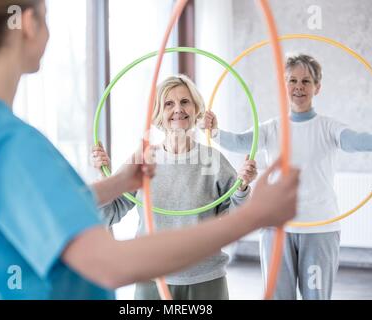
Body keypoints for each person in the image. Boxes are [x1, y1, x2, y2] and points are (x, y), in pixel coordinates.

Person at [0, 0, 300, 300]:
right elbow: (110, 265)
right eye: (48, 20)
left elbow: (44, 211)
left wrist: (118, 182)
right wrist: (253, 217)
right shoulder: (12, 143)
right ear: (30, 24)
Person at [202, 53, 372, 300]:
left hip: (320, 227)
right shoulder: (272, 128)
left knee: (316, 296)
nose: (299, 87)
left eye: (306, 81)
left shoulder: (329, 127)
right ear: (284, 85)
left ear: (317, 87)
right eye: (292, 81)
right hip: (276, 227)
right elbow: (239, 141)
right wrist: (213, 131)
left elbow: (353, 139)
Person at [92, 75, 258, 300]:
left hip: (205, 280)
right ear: (159, 113)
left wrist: (242, 188)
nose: (178, 109)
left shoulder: (213, 160)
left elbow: (239, 221)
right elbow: (107, 216)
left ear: (195, 108)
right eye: (169, 104)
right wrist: (104, 180)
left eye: (185, 102)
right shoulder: (142, 160)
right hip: (150, 277)